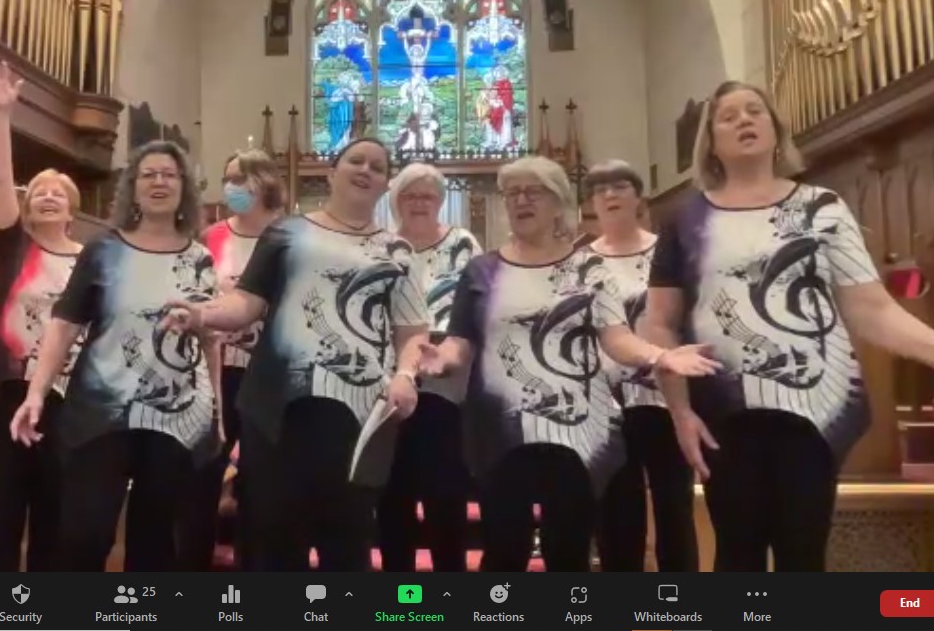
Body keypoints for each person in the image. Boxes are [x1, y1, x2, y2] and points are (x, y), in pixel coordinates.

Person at [642, 81, 934, 571]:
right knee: (737, 554)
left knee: (802, 554)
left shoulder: (822, 208)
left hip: (813, 410)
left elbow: (872, 309)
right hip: (723, 414)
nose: (744, 120)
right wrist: (679, 410)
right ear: (712, 142)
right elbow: (659, 324)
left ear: (775, 129)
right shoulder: (687, 219)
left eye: (755, 111)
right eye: (729, 116)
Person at [418, 156, 719, 572]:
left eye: (533, 191)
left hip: (578, 431)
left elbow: (616, 338)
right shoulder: (482, 270)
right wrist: (441, 359)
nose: (521, 200)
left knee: (568, 552)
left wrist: (660, 355)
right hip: (501, 431)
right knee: (504, 553)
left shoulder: (589, 268)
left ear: (558, 200)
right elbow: (461, 343)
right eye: (513, 193)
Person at [161, 137, 429, 571]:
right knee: (273, 540)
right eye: (355, 161)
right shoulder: (287, 232)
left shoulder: (398, 252)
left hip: (358, 415)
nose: (365, 170)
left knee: (346, 541)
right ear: (330, 173)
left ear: (385, 186)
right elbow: (246, 304)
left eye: (377, 167)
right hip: (277, 407)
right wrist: (201, 313)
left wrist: (406, 375)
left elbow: (413, 330)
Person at [9, 140, 221, 571]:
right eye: (149, 174)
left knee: (156, 539)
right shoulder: (103, 250)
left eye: (169, 174)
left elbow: (209, 339)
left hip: (175, 414)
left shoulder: (199, 257)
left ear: (184, 188)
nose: (159, 181)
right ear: (133, 187)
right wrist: (35, 393)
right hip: (100, 412)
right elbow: (65, 324)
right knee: (85, 534)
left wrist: (216, 406)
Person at [0, 59, 83, 572]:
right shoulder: (14, 245)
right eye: (39, 193)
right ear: (27, 208)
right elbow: (4, 179)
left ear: (72, 210)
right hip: (8, 385)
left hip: (67, 389)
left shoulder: (89, 259)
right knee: (9, 493)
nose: (48, 196)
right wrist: (2, 115)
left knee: (54, 497)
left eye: (59, 193)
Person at [583, 159, 698, 572]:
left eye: (619, 187)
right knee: (616, 512)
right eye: (600, 190)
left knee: (674, 507)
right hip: (607, 404)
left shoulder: (667, 252)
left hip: (664, 397)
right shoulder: (580, 262)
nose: (610, 195)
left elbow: (682, 318)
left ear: (639, 199)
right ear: (592, 204)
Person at [182, 149, 286, 569]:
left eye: (241, 179)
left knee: (262, 483)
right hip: (215, 370)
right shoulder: (210, 238)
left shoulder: (289, 236)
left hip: (268, 375)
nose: (232, 188)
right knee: (202, 475)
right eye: (228, 179)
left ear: (264, 182)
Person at [376, 162, 480, 572]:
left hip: (446, 385)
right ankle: (401, 598)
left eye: (427, 195)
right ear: (395, 200)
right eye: (409, 195)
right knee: (393, 494)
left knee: (444, 495)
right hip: (389, 381)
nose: (419, 203)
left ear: (440, 201)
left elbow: (476, 305)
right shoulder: (381, 245)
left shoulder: (462, 243)